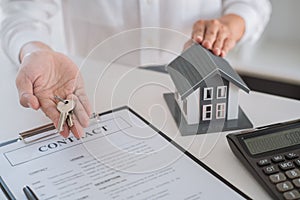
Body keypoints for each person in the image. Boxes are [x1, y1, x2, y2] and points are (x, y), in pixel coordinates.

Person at [1, 0, 271, 138]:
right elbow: (21, 14)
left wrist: (230, 25)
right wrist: (35, 50)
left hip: (196, 98)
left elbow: (254, 4)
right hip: (97, 103)